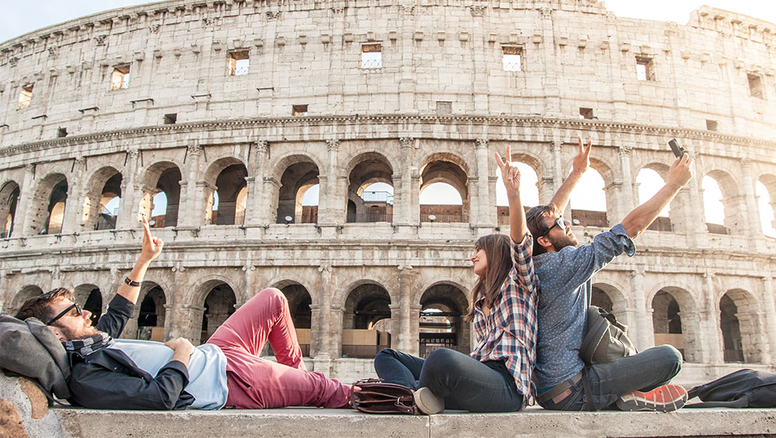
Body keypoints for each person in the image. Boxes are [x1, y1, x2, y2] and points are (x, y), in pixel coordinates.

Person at [15, 217, 351, 410]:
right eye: (73, 312)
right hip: (228, 381)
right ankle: (327, 389)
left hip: (220, 352)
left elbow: (119, 310)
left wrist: (145, 259)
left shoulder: (95, 344)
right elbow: (160, 397)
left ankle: (298, 382)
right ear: (54, 333)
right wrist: (182, 353)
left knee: (273, 299)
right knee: (331, 390)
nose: (86, 313)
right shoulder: (85, 379)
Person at [526, 138, 693, 412]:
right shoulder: (565, 265)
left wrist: (577, 174)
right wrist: (674, 184)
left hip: (549, 391)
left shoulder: (536, 264)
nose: (567, 223)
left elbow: (547, 220)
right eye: (560, 224)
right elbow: (631, 227)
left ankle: (628, 394)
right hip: (574, 391)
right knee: (669, 358)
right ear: (545, 241)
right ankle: (627, 394)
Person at [373, 145, 539, 414]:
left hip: (507, 387)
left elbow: (521, 241)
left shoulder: (519, 283)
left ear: (497, 253)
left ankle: (413, 393)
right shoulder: (482, 298)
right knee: (387, 355)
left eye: (478, 250)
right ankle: (415, 395)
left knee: (440, 358)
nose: (472, 257)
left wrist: (514, 195)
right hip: (477, 378)